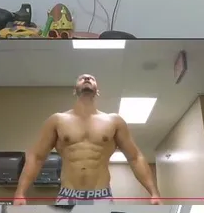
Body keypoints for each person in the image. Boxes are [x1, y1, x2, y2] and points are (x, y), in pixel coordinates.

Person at [13, 73, 160, 206]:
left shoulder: (114, 121)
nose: (87, 78)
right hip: (67, 195)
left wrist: (154, 193)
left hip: (101, 196)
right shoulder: (57, 120)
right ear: (74, 90)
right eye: (81, 78)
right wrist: (20, 193)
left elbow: (135, 157)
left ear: (97, 91)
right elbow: (37, 157)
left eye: (92, 78)